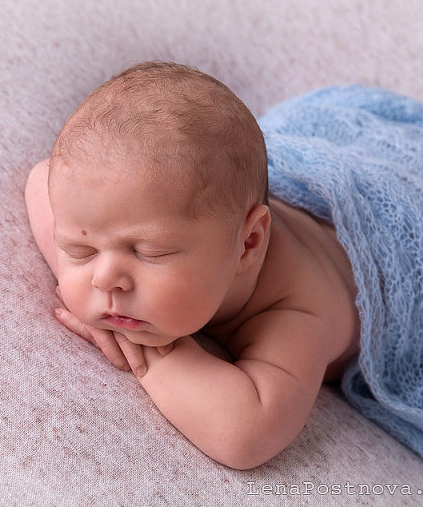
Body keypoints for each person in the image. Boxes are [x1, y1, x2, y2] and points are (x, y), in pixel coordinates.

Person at [24, 61, 360, 470]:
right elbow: (42, 178)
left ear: (248, 243)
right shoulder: (180, 231)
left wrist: (150, 354)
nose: (105, 278)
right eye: (81, 250)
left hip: (361, 262)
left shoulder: (298, 311)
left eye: (149, 252)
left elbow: (247, 435)